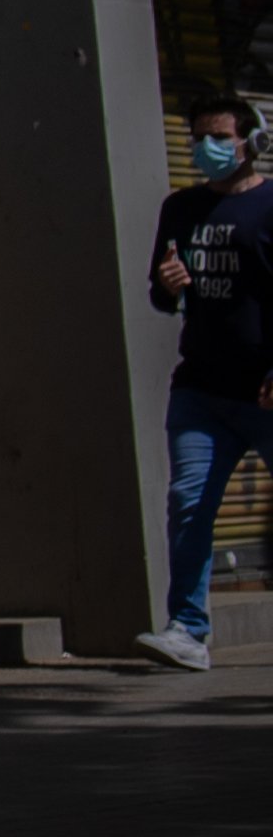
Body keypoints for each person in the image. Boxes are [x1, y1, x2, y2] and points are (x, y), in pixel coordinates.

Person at [139, 87, 273, 675]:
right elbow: (159, 296)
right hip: (200, 390)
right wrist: (168, 288)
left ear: (253, 140)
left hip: (267, 390)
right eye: (198, 138)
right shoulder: (181, 209)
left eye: (219, 137)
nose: (206, 148)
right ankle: (188, 631)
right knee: (188, 504)